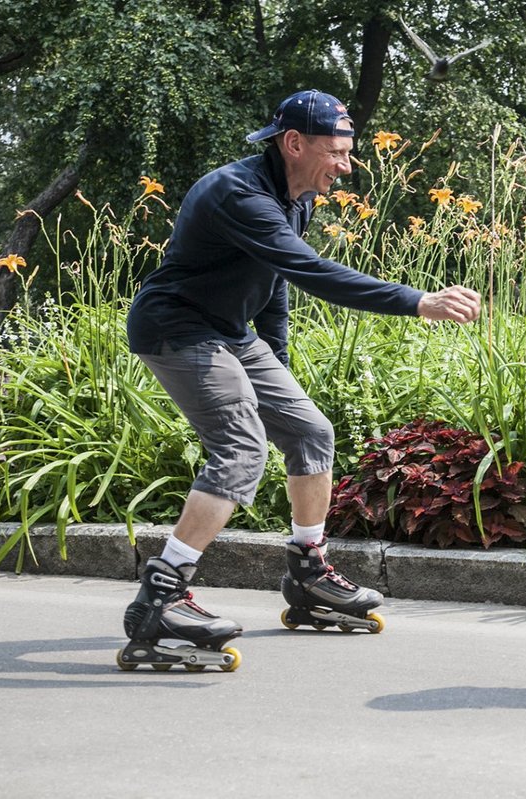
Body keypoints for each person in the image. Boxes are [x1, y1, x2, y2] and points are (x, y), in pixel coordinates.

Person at [117, 89, 481, 671]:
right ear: (293, 143)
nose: (346, 166)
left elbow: (275, 282)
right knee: (240, 448)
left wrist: (277, 366)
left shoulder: (297, 196)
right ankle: (161, 598)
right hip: (178, 328)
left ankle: (309, 572)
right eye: (336, 152)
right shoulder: (239, 194)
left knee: (310, 431)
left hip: (232, 331)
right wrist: (417, 301)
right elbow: (310, 271)